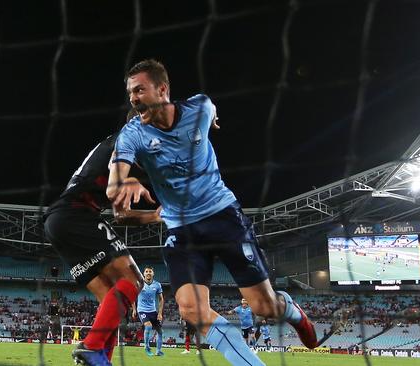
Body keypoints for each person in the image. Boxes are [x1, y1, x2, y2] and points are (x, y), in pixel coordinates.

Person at [108, 59, 319, 366]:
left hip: (223, 218)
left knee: (264, 307)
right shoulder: (133, 133)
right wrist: (122, 182)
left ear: (162, 89)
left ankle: (292, 311)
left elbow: (210, 108)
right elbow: (115, 182)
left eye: (139, 90)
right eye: (130, 93)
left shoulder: (199, 109)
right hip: (182, 231)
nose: (134, 98)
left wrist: (214, 117)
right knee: (191, 310)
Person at [43, 122, 162, 366]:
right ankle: (91, 347)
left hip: (59, 222)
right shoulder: (124, 140)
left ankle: (99, 361)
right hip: (77, 215)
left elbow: (121, 216)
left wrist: (156, 216)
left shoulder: (123, 155)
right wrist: (130, 183)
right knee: (134, 280)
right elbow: (111, 191)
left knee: (113, 302)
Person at [132, 266, 164, 356]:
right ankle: (146, 346)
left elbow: (161, 299)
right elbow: (132, 296)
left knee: (160, 332)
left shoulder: (157, 285)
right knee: (148, 326)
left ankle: (158, 351)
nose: (148, 273)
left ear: (153, 274)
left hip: (153, 311)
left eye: (150, 271)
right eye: (146, 271)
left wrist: (160, 313)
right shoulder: (139, 284)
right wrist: (134, 309)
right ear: (144, 273)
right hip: (142, 310)